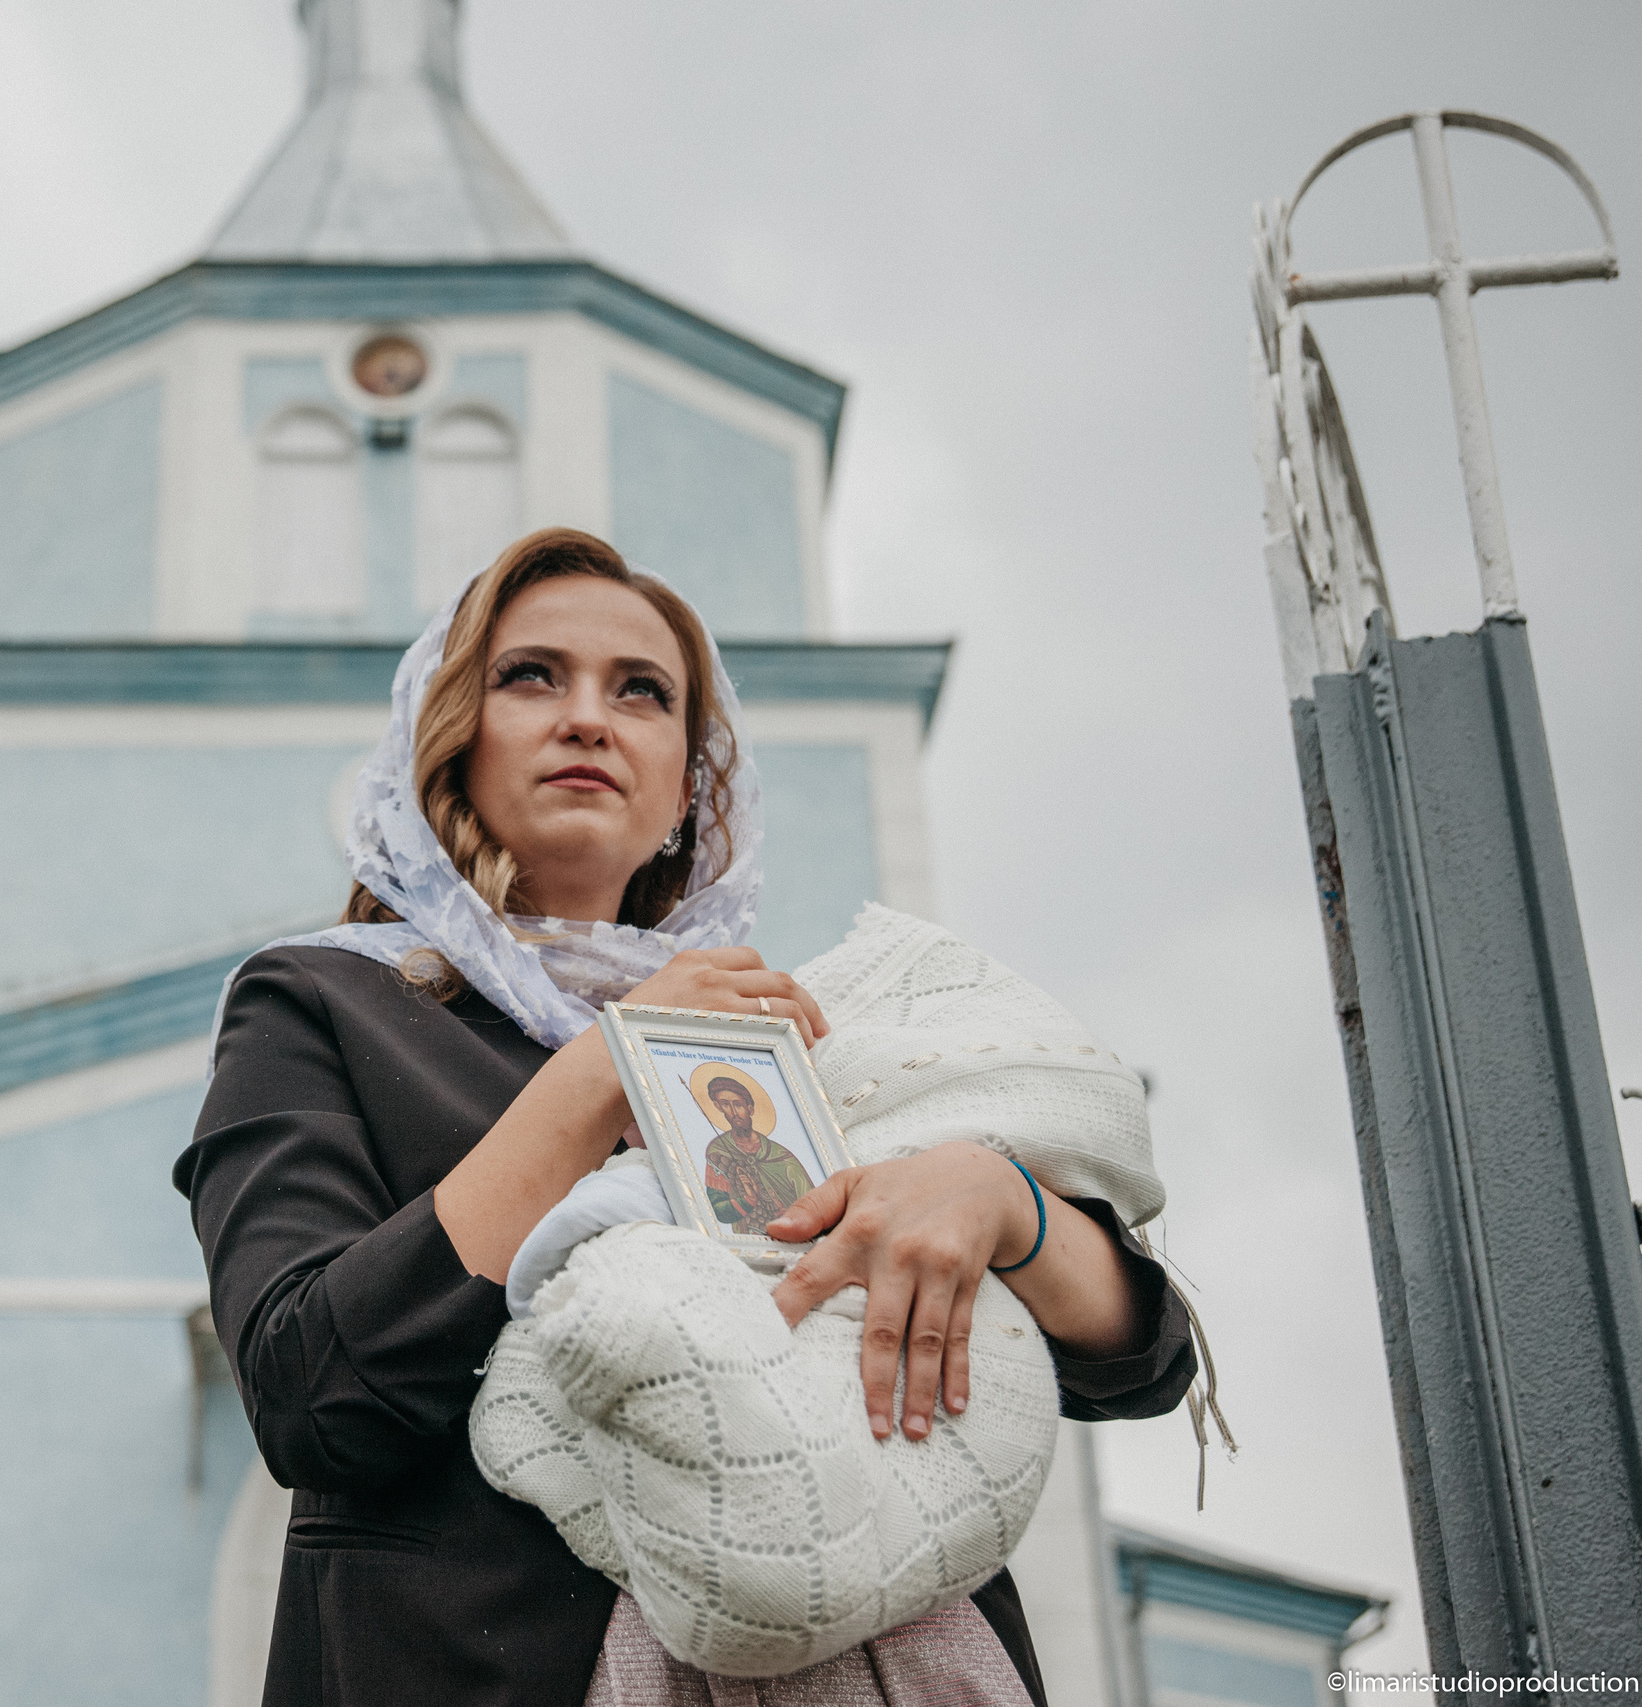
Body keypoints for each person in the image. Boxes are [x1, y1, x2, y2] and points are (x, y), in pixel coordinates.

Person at [174, 528, 1195, 1707]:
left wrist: (1004, 1205)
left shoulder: (793, 1030)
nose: (589, 718)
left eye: (642, 693)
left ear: (684, 793)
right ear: (445, 747)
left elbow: (1139, 1363)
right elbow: (312, 1394)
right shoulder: (318, 1001)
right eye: (530, 676)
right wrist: (604, 1066)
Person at [699, 1075, 812, 1231]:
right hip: (748, 1241)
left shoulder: (781, 1156)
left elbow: (814, 1204)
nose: (733, 1112)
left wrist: (794, 1214)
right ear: (718, 1107)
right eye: (725, 1104)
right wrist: (748, 1200)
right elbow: (718, 1209)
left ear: (750, 1109)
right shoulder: (719, 1153)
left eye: (738, 1105)